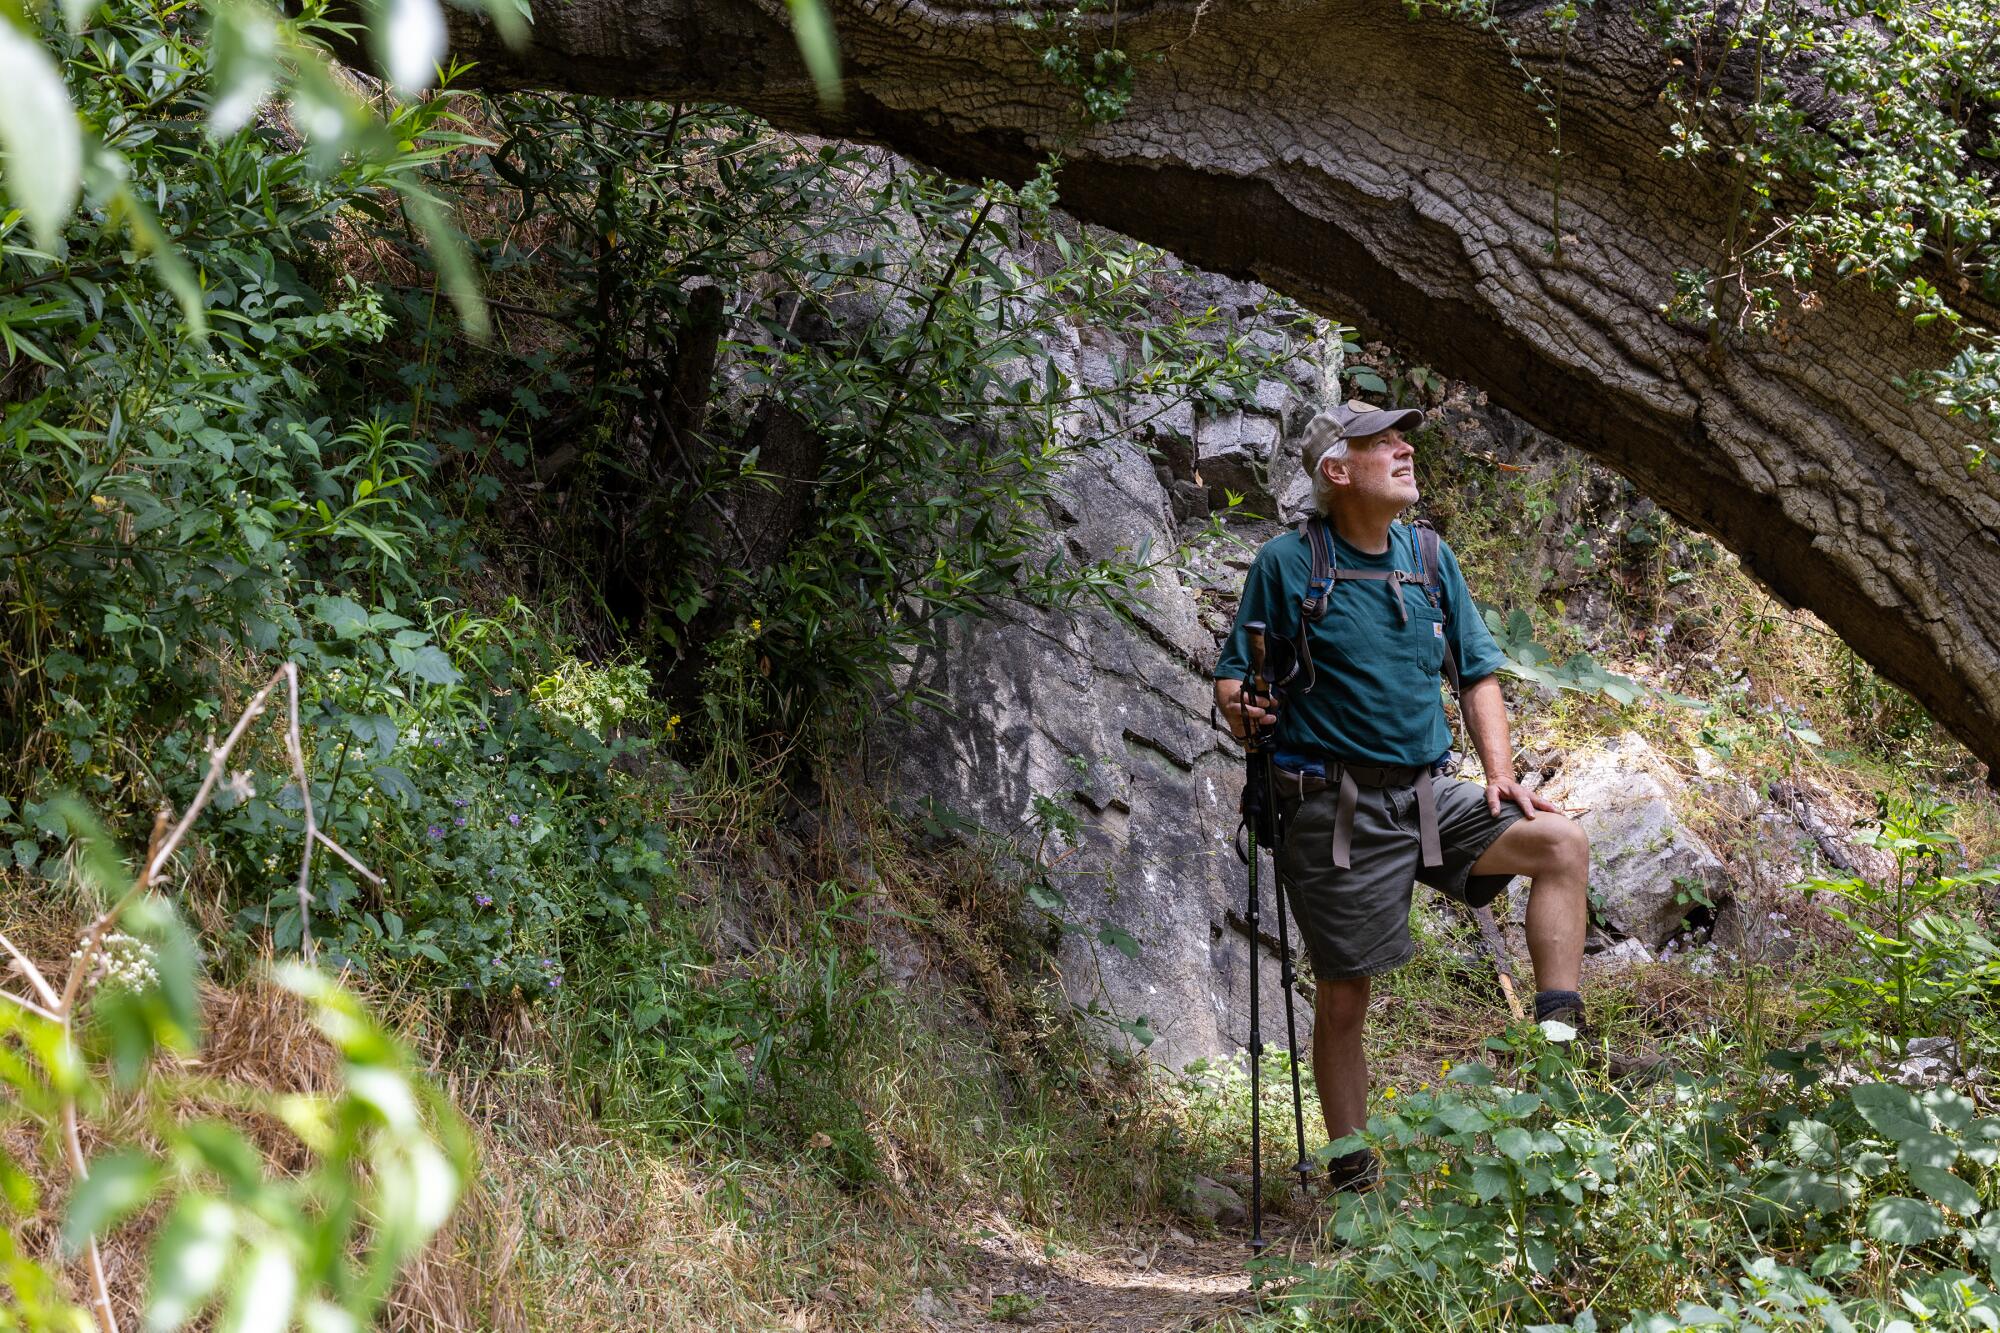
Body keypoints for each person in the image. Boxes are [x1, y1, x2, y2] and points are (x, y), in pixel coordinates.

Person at [1213, 399, 1590, 1193]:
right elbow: (1231, 678)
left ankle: (1562, 1041)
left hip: (1429, 795)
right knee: (1345, 993)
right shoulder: (1288, 563)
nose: (1403, 449)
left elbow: (1477, 670)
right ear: (1337, 470)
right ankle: (1354, 1183)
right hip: (1331, 807)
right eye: (1381, 442)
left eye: (1402, 437)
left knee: (1561, 844)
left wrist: (1499, 772)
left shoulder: (1429, 555)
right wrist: (1243, 708)